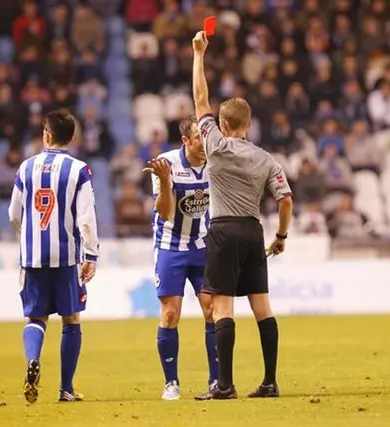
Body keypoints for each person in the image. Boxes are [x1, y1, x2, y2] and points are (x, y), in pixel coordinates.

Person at [191, 31, 294, 401]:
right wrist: (280, 237)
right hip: (253, 229)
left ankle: (225, 385)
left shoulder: (214, 145)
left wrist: (199, 55)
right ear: (247, 125)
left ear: (223, 122)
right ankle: (269, 382)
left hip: (223, 228)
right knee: (262, 306)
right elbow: (285, 199)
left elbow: (200, 97)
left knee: (222, 307)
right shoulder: (266, 158)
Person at [8, 110, 99, 404]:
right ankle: (66, 388)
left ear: (46, 136)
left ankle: (33, 359)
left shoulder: (25, 168)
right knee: (71, 320)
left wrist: (27, 238)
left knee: (36, 317)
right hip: (66, 257)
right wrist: (91, 254)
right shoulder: (79, 170)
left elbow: (13, 213)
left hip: (33, 257)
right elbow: (86, 217)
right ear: (71, 137)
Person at [142, 116, 217, 400]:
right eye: (199, 138)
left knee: (212, 311)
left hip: (203, 245)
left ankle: (216, 380)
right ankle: (171, 382)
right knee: (170, 314)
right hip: (170, 245)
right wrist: (163, 181)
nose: (204, 143)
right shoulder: (166, 163)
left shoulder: (216, 161)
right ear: (186, 140)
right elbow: (164, 212)